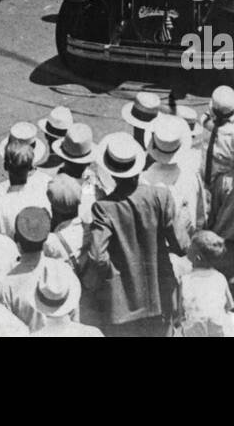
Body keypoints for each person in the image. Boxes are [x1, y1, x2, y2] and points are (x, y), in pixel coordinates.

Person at [80, 133, 187, 336]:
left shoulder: (104, 208)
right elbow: (180, 245)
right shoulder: (161, 196)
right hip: (161, 295)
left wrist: (113, 275)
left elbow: (97, 257)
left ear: (112, 174)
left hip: (123, 304)